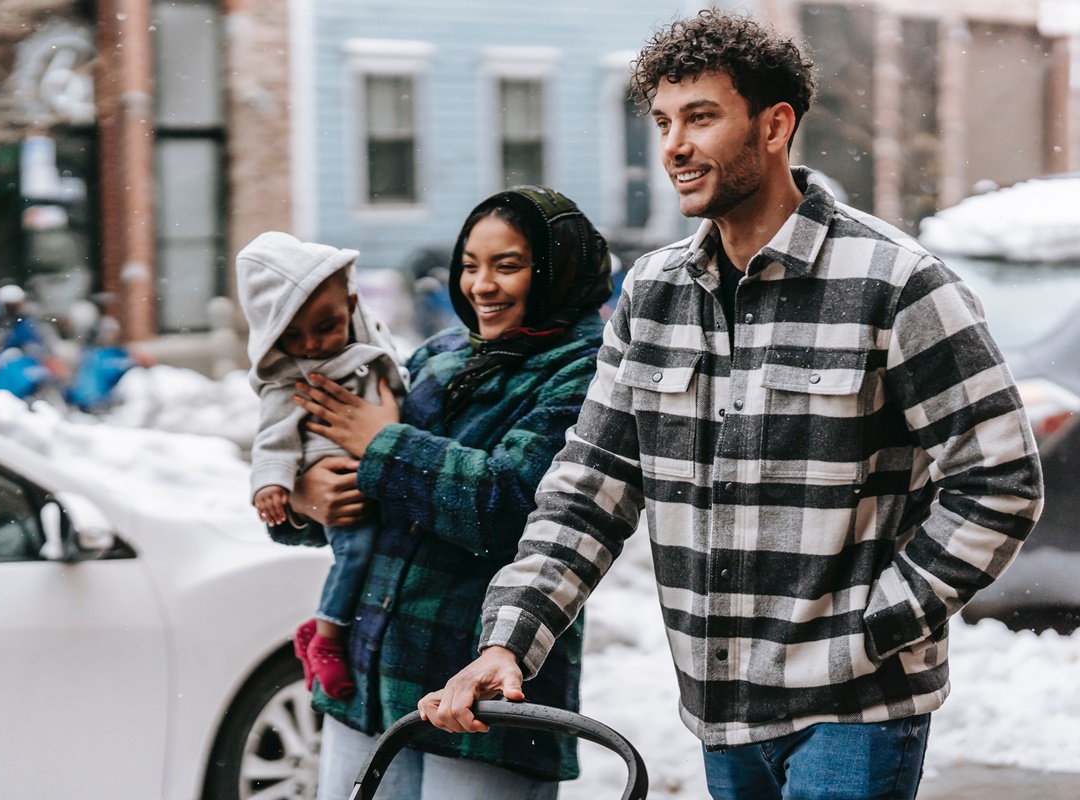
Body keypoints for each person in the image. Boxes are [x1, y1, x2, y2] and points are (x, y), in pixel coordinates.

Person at [420, 10, 1044, 800]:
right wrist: (510, 639)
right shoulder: (652, 295)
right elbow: (588, 489)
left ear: (776, 125)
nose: (674, 146)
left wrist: (881, 624)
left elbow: (999, 480)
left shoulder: (896, 283)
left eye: (702, 118)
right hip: (720, 714)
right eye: (663, 121)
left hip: (856, 712)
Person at [274, 185, 612, 799]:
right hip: (372, 675)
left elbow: (512, 508)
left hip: (486, 689)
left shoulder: (586, 373)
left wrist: (383, 445)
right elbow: (368, 486)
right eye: (469, 265)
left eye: (507, 265)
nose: (481, 285)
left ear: (560, 269)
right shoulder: (440, 355)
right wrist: (305, 500)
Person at [237, 232, 409, 700]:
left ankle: (321, 633)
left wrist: (391, 432)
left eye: (325, 326)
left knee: (374, 555)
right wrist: (275, 486)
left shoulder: (371, 346)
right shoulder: (289, 379)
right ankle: (328, 639)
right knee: (356, 550)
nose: (311, 344)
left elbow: (399, 387)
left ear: (352, 306)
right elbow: (272, 439)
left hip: (375, 478)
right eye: (291, 336)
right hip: (336, 479)